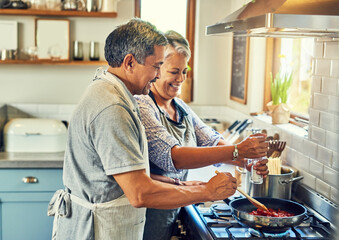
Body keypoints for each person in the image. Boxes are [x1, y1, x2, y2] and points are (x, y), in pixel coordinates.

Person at [47, 19, 244, 240]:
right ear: (130, 62)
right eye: (157, 66)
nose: (159, 75)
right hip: (98, 231)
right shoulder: (113, 108)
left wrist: (179, 184)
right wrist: (207, 191)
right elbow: (139, 193)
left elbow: (118, 175)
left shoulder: (113, 93)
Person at [135, 30, 269, 240]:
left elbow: (212, 140)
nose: (181, 79)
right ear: (157, 69)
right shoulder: (143, 104)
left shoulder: (180, 107)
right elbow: (172, 157)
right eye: (174, 71)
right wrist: (237, 150)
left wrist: (247, 162)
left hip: (174, 208)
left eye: (185, 71)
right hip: (147, 215)